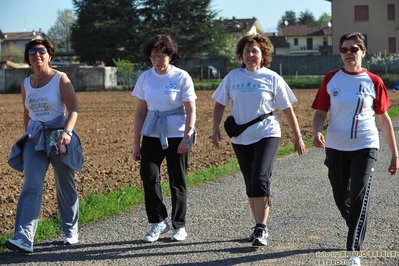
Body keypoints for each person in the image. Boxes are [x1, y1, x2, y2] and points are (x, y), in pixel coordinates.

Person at [311, 32, 399, 263]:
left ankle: (353, 252)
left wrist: (394, 154)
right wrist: (317, 131)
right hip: (336, 147)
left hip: (365, 145)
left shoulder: (374, 81)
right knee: (342, 198)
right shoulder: (331, 79)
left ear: (363, 52)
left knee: (359, 197)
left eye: (354, 49)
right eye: (344, 49)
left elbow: (383, 119)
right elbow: (320, 113)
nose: (349, 53)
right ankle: (357, 227)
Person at [211, 34, 305, 247]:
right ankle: (257, 226)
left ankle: (262, 228)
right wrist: (214, 128)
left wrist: (298, 137)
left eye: (255, 51)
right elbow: (219, 104)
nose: (251, 55)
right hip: (240, 137)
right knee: (250, 180)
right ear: (241, 55)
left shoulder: (272, 78)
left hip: (267, 133)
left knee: (260, 178)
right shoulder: (233, 77)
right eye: (247, 51)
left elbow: (287, 109)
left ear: (263, 55)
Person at [5, 36, 84, 253]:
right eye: (32, 52)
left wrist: (67, 132)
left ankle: (70, 229)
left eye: (41, 51)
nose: (37, 55)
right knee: (31, 184)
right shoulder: (26, 83)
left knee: (65, 184)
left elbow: (74, 108)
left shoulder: (61, 78)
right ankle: (23, 238)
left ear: (49, 55)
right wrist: (28, 134)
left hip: (59, 136)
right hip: (36, 139)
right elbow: (27, 113)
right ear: (28, 58)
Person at [131, 34, 196, 243]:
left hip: (177, 134)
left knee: (178, 180)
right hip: (152, 133)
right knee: (149, 175)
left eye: (161, 56)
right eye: (153, 57)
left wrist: (187, 137)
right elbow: (140, 112)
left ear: (170, 55)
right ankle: (158, 221)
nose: (157, 61)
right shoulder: (145, 78)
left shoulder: (181, 77)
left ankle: (179, 225)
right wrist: (135, 143)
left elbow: (191, 110)